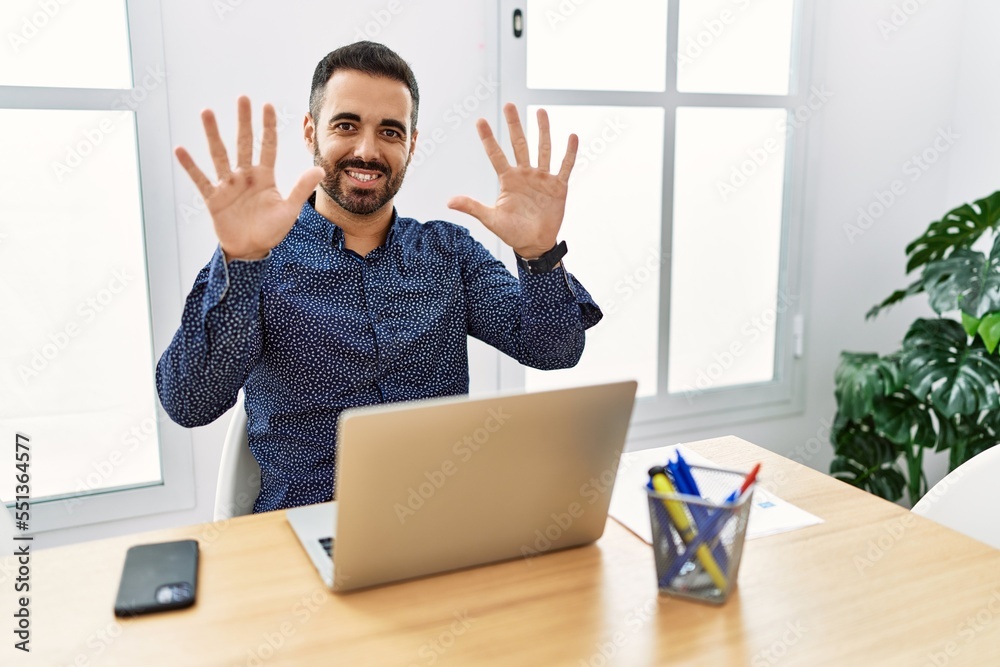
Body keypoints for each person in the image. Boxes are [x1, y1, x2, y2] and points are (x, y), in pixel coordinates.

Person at [156, 41, 602, 512]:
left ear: (410, 144)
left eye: (390, 131)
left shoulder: (448, 253)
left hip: (440, 522)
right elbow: (190, 403)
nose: (367, 151)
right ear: (311, 132)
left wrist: (538, 254)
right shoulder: (259, 257)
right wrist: (241, 262)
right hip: (306, 528)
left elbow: (554, 350)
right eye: (346, 126)